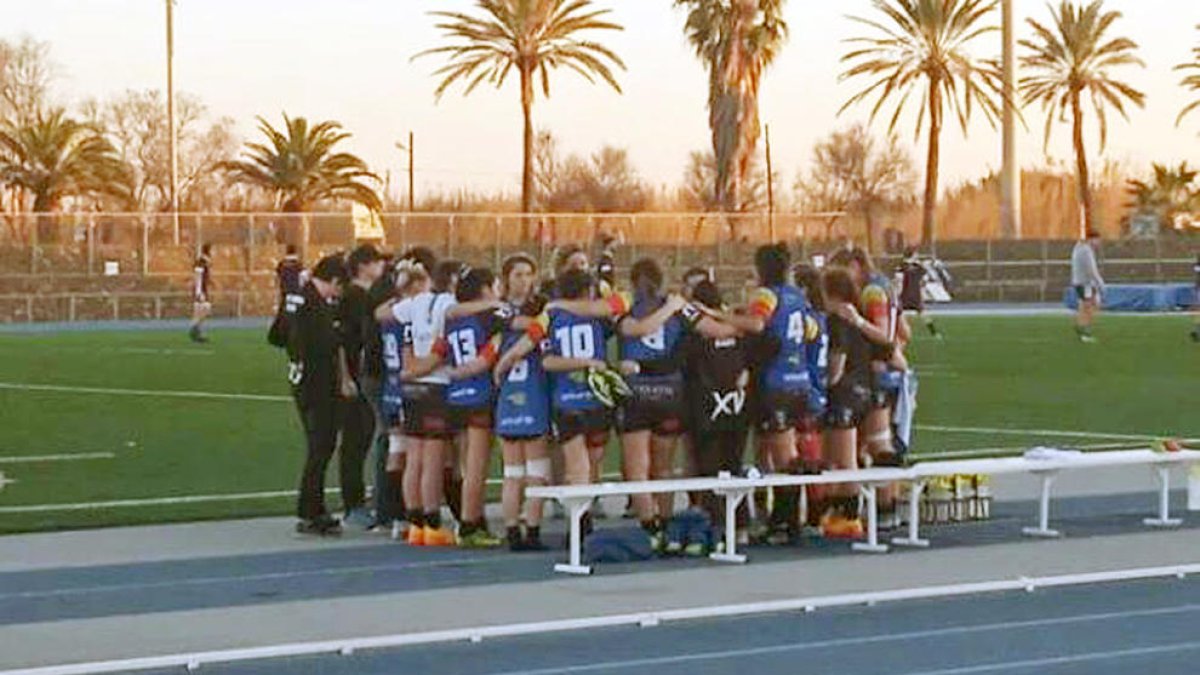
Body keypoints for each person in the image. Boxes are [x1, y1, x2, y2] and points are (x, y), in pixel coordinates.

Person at [717, 244, 819, 543]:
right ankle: (778, 517)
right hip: (800, 380)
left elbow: (757, 323)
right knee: (776, 451)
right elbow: (811, 330)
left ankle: (787, 523)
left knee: (784, 457)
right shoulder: (798, 296)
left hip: (777, 384)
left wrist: (722, 316)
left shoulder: (767, 295)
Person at [382, 257, 460, 547]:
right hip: (435, 386)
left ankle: (414, 522)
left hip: (411, 389)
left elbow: (383, 314)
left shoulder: (414, 303)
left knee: (413, 457)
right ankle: (432, 522)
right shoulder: (448, 303)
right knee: (433, 460)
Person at [820, 266, 899, 538]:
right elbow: (892, 351)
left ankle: (849, 515)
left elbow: (837, 364)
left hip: (846, 394)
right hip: (870, 391)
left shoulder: (839, 320)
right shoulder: (861, 318)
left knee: (843, 461)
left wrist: (826, 383)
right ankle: (886, 508)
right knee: (877, 450)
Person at [441, 267, 509, 548]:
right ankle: (471, 523)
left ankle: (468, 518)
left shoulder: (453, 317)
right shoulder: (491, 315)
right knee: (477, 466)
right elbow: (490, 352)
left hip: (457, 395)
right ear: (484, 289)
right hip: (480, 393)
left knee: (466, 463)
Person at [681, 279, 752, 540]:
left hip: (706, 409)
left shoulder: (694, 335)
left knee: (710, 468)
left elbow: (685, 366)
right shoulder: (738, 331)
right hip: (736, 407)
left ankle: (718, 526)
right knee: (734, 465)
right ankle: (740, 526)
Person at [492, 254, 552, 551]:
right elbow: (524, 324)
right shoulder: (503, 311)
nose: (524, 280)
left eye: (528, 274)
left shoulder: (534, 308)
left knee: (527, 470)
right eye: (518, 274)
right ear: (506, 278)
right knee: (522, 471)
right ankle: (521, 531)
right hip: (522, 394)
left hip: (524, 392)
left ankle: (525, 529)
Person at [287, 254, 350, 536]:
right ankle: (312, 509)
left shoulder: (296, 298)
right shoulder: (316, 305)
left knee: (318, 447)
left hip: (301, 379)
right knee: (321, 447)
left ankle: (311, 507)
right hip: (318, 384)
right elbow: (327, 344)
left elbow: (277, 334)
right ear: (334, 281)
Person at [337, 244, 387, 529]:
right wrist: (345, 377)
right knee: (355, 440)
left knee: (366, 436)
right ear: (363, 266)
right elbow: (344, 341)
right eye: (376, 262)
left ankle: (361, 499)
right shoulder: (354, 297)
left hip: (364, 374)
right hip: (356, 377)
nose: (381, 267)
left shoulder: (366, 296)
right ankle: (352, 503)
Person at [896, 247, 943, 339]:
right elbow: (925, 279)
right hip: (915, 295)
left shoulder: (901, 266)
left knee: (899, 316)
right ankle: (934, 333)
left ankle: (897, 333)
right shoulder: (919, 267)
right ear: (913, 255)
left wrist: (897, 293)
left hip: (904, 295)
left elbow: (898, 281)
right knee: (924, 315)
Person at [1071, 229, 1105, 343]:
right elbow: (1091, 269)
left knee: (1086, 306)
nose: (1099, 243)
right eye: (1098, 240)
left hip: (1080, 282)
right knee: (1089, 306)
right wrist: (1100, 283)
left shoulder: (1079, 248)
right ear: (1092, 239)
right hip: (1085, 283)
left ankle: (1081, 326)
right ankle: (1085, 330)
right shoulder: (1086, 251)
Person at [189, 243, 213, 343]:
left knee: (205, 310)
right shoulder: (201, 262)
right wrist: (198, 292)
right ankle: (196, 331)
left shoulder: (205, 262)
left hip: (203, 290)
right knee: (202, 310)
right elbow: (198, 277)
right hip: (201, 291)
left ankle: (197, 331)